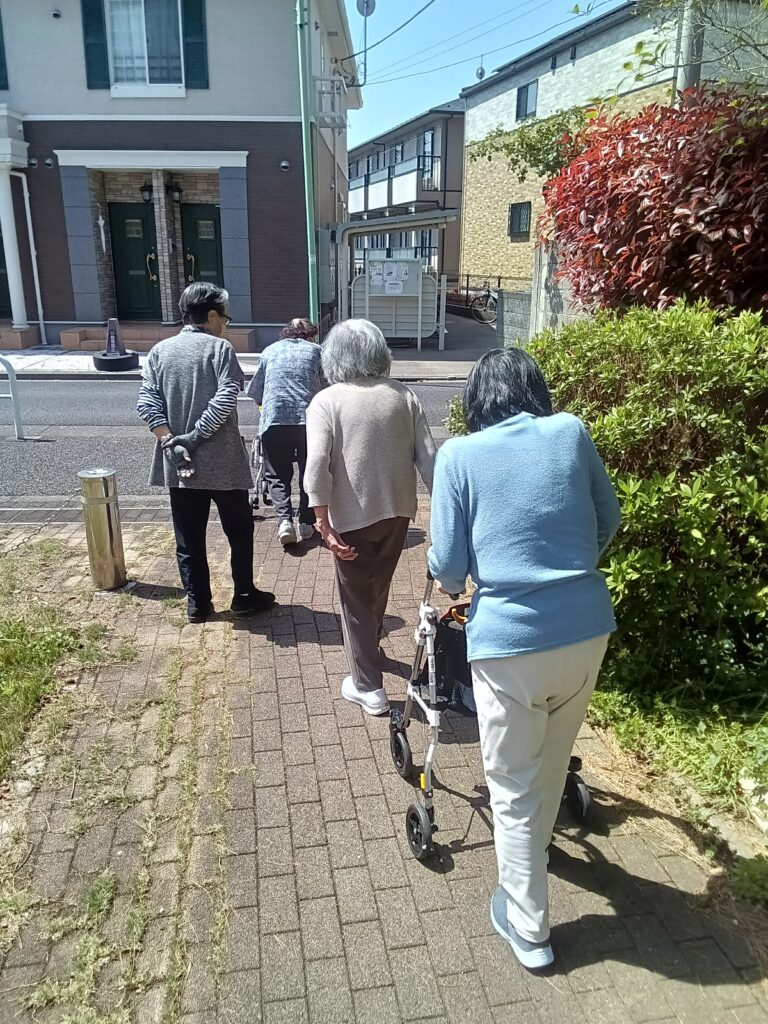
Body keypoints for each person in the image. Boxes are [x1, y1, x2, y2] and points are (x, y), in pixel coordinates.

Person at [427, 348, 621, 971]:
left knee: (510, 785)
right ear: (535, 390)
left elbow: (448, 566)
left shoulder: (459, 456)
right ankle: (531, 865)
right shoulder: (571, 432)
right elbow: (609, 518)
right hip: (586, 628)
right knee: (550, 763)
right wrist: (568, 571)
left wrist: (465, 579)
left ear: (476, 400)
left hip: (509, 643)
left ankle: (529, 926)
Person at [304, 319, 436, 716]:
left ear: (334, 356)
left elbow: (317, 464)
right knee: (378, 585)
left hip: (351, 516)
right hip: (397, 511)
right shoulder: (403, 396)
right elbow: (430, 460)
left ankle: (368, 687)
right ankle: (371, 649)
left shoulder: (327, 401)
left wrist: (322, 521)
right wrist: (446, 510)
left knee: (355, 599)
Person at [137, 282, 275, 624]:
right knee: (239, 532)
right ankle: (244, 594)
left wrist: (171, 442)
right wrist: (194, 438)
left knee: (189, 537)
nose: (225, 324)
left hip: (180, 464)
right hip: (223, 460)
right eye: (224, 317)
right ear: (212, 316)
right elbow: (226, 398)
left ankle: (198, 603)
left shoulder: (159, 351)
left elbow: (146, 402)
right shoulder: (220, 349)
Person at [246, 318, 325, 546]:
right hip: (309, 421)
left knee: (277, 474)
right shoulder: (317, 352)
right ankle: (307, 523)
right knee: (309, 472)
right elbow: (326, 389)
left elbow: (256, 392)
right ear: (310, 335)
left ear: (285, 333)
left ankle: (284, 522)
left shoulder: (269, 350)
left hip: (274, 419)